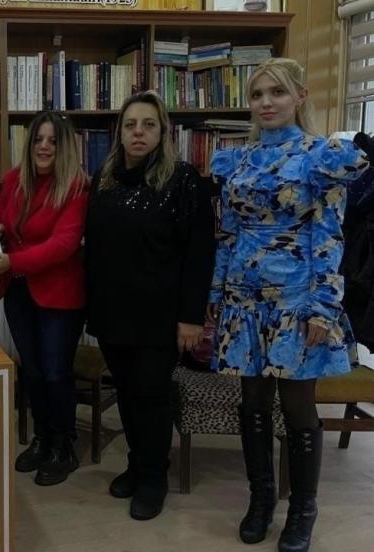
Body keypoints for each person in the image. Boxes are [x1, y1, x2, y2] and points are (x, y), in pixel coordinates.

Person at [207, 58, 369, 552]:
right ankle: (260, 501)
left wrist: (324, 306)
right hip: (243, 301)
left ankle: (303, 510)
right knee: (252, 403)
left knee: (298, 407)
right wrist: (216, 293)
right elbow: (227, 235)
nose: (266, 103)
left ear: (299, 96)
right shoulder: (235, 160)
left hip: (297, 302)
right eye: (257, 95)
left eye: (276, 92)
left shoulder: (321, 157)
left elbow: (330, 237)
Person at [84, 91, 215, 520]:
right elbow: (95, 248)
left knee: (151, 397)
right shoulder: (104, 178)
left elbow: (199, 253)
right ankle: (136, 464)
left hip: (160, 315)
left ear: (163, 132)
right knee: (125, 393)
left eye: (148, 125)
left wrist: (191, 317)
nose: (138, 132)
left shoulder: (182, 179)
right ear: (119, 132)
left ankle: (154, 477)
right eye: (130, 125)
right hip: (113, 312)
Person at [0, 111, 88, 486]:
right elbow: (1, 219)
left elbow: (64, 244)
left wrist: (14, 260)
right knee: (34, 372)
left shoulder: (76, 186)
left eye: (53, 141)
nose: (44, 147)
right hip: (18, 291)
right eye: (38, 139)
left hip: (59, 295)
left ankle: (64, 444)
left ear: (65, 146)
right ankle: (42, 438)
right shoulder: (14, 179)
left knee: (56, 373)